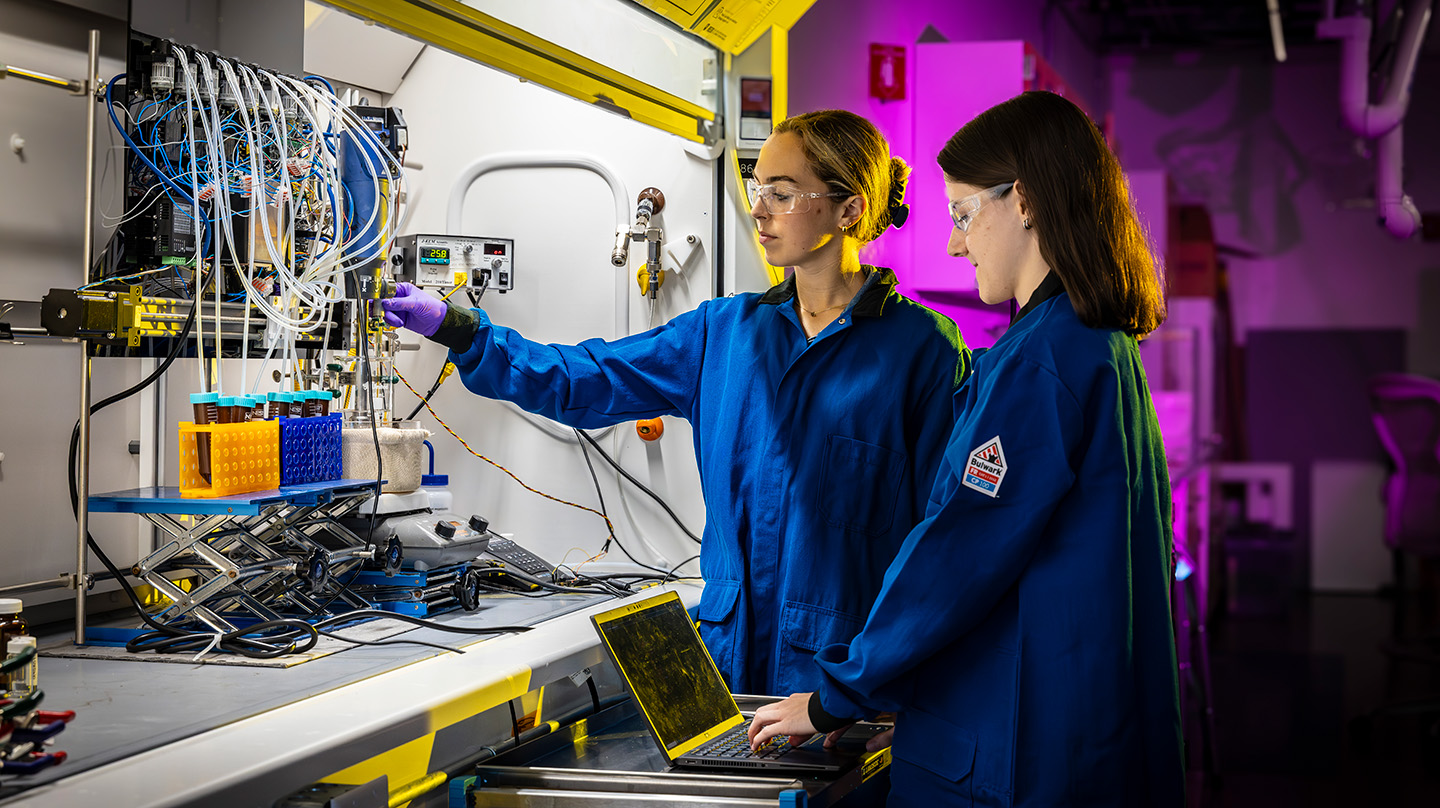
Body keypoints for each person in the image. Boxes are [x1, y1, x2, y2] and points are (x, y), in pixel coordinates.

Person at [383, 109, 970, 696]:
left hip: (839, 684)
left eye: (783, 193)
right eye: (757, 186)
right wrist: (462, 331)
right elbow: (584, 378)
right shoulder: (725, 333)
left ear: (849, 210)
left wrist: (881, 691)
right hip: (727, 665)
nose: (759, 208)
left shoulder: (922, 351)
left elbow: (940, 547)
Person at [747, 91, 1185, 806]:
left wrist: (836, 694)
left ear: (1028, 202)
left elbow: (959, 554)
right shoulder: (1097, 345)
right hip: (1087, 729)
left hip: (1018, 749)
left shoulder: (1042, 362)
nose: (955, 243)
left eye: (962, 215)